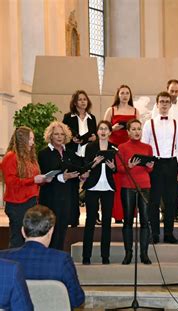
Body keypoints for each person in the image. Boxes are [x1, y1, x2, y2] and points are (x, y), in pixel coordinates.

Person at [0, 205, 85, 309]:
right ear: (51, 231)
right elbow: (77, 299)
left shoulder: (4, 258)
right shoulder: (62, 260)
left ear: (22, 231)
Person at [142, 91, 178, 244]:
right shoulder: (149, 123)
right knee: (154, 201)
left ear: (170, 104)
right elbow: (144, 146)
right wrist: (146, 164)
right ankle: (154, 233)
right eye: (162, 101)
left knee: (170, 201)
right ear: (157, 104)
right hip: (156, 164)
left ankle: (168, 233)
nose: (165, 104)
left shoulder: (176, 123)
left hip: (172, 164)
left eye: (167, 101)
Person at [2, 126, 52, 248]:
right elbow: (11, 182)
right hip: (17, 203)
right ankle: (13, 265)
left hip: (31, 200)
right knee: (17, 238)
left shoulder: (30, 158)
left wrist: (43, 180)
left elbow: (34, 179)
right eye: (30, 139)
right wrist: (33, 180)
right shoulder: (11, 157)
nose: (32, 142)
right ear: (22, 140)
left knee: (30, 237)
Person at [38, 121, 81, 250]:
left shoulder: (70, 153)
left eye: (62, 134)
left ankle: (57, 259)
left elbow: (78, 167)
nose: (59, 137)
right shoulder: (43, 153)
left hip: (67, 197)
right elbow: (46, 175)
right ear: (50, 136)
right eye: (56, 134)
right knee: (50, 232)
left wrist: (83, 172)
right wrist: (63, 177)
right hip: (51, 198)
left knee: (62, 231)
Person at [116, 119, 154, 265]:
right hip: (128, 186)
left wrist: (150, 165)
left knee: (145, 220)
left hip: (144, 185)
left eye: (139, 129)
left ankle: (144, 254)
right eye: (133, 129)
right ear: (128, 131)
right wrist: (129, 165)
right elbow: (119, 168)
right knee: (128, 220)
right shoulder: (122, 147)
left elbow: (149, 169)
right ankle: (128, 253)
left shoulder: (147, 147)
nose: (137, 132)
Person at [81, 120, 116, 265]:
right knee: (90, 221)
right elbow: (85, 167)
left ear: (109, 132)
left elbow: (117, 169)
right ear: (97, 131)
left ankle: (105, 256)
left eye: (105, 129)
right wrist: (94, 163)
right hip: (93, 187)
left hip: (108, 187)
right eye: (100, 129)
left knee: (107, 222)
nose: (103, 131)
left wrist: (113, 167)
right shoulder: (90, 146)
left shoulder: (114, 148)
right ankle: (86, 256)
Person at [104, 84, 140, 224]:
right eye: (122, 93)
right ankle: (117, 214)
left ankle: (129, 213)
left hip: (130, 149)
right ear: (118, 95)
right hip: (114, 149)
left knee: (130, 181)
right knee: (117, 182)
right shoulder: (111, 110)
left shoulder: (135, 111)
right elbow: (103, 131)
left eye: (127, 93)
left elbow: (138, 130)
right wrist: (112, 128)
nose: (125, 95)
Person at [62, 90, 98, 227]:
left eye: (85, 99)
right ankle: (73, 218)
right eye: (80, 99)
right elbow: (63, 135)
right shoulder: (68, 117)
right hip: (74, 155)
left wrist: (94, 138)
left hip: (88, 155)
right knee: (73, 188)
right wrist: (73, 140)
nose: (83, 101)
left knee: (91, 187)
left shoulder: (91, 118)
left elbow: (95, 134)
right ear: (75, 102)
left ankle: (93, 217)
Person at [152, 79, 178, 223]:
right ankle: (161, 217)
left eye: (176, 91)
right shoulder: (153, 115)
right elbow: (151, 137)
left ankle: (172, 218)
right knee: (158, 191)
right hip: (159, 156)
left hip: (174, 154)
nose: (173, 94)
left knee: (173, 191)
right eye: (171, 91)